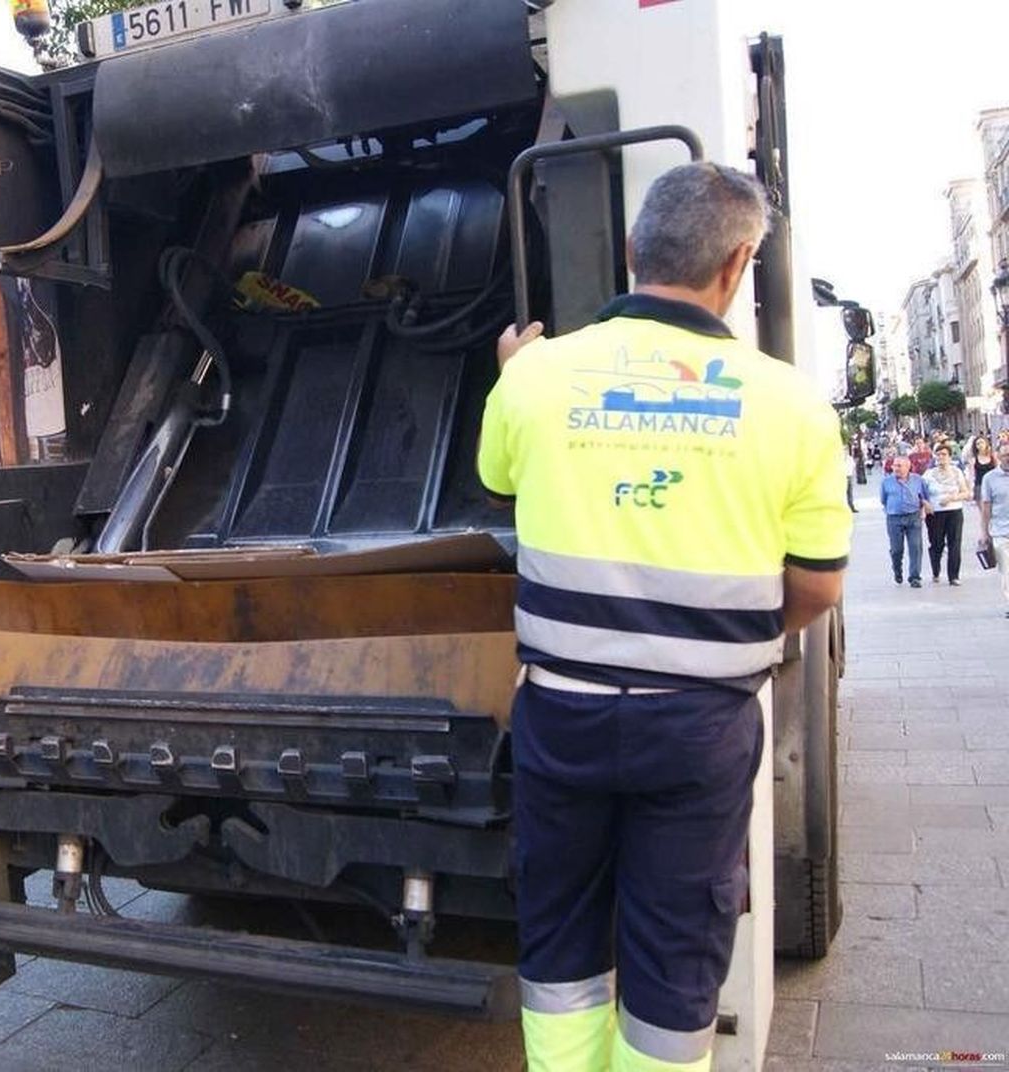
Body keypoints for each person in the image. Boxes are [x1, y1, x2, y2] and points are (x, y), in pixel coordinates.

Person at [478, 163, 849, 1072]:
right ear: (738, 264)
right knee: (677, 950)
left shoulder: (531, 377)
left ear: (634, 251)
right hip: (699, 729)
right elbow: (818, 586)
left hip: (560, 715)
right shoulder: (795, 405)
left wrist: (521, 375)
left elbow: (501, 486)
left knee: (561, 941)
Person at [880, 455, 931, 587]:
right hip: (894, 518)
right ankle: (897, 569)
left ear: (908, 467)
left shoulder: (918, 480)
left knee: (915, 547)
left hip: (913, 517)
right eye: (894, 465)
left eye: (899, 466)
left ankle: (915, 577)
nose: (895, 468)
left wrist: (923, 508)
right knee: (897, 550)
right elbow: (883, 500)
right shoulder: (886, 481)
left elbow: (925, 497)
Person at [923, 445, 971, 585]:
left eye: (944, 454)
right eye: (938, 455)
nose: (940, 457)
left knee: (954, 543)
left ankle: (954, 576)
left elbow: (966, 493)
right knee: (937, 543)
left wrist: (952, 498)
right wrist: (926, 504)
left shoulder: (957, 472)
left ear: (950, 457)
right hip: (935, 513)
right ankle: (936, 571)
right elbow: (921, 493)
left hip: (954, 511)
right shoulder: (929, 474)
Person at [979, 447, 1009, 618]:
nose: (1008, 458)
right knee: (1007, 570)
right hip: (1000, 531)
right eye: (1005, 455)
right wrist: (984, 532)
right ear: (998, 457)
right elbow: (986, 506)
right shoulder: (989, 478)